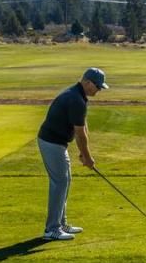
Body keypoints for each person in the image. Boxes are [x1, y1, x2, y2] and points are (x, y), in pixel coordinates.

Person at [37, 67, 109, 241]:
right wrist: (88, 157)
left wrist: (85, 155)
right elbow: (79, 134)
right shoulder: (75, 98)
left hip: (58, 143)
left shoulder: (79, 96)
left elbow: (83, 126)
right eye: (97, 86)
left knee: (65, 181)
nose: (99, 90)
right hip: (51, 143)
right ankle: (51, 229)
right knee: (59, 183)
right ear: (87, 82)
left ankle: (61, 224)